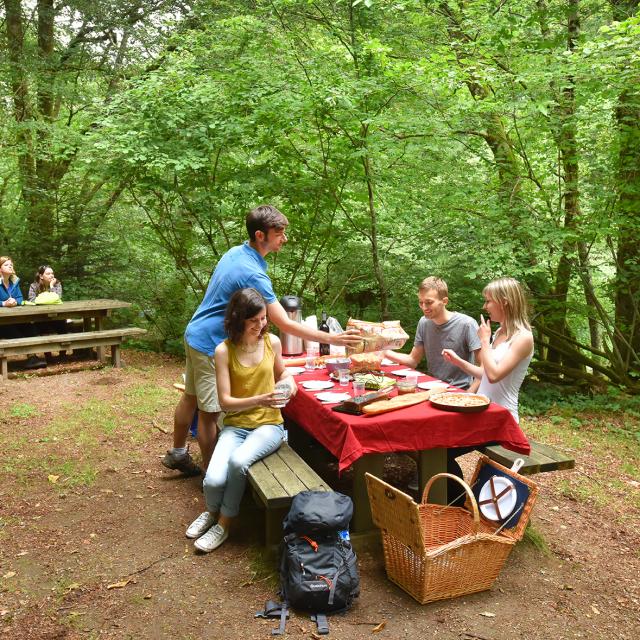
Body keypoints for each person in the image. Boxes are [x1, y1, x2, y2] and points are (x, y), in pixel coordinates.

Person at [162, 204, 361, 477]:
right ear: (260, 235)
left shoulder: (237, 252)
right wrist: (333, 337)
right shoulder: (253, 274)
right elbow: (285, 323)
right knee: (209, 413)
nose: (285, 239)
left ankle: (178, 452)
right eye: (279, 233)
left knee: (190, 397)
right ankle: (212, 477)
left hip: (194, 332)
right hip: (210, 342)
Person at [186, 288, 296, 552]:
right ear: (238, 320)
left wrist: (290, 383)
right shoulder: (224, 351)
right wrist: (259, 399)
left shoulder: (272, 343)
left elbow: (283, 373)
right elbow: (225, 402)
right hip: (235, 426)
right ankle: (211, 513)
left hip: (269, 425)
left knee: (238, 462)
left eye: (263, 319)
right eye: (254, 320)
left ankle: (224, 524)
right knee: (212, 480)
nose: (261, 325)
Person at [383, 276, 482, 495]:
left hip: (459, 395)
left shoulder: (466, 324)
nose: (424, 307)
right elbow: (412, 361)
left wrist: (467, 397)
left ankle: (451, 494)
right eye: (420, 302)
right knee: (397, 420)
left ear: (444, 300)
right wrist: (382, 350)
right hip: (431, 391)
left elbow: (482, 373)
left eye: (429, 302)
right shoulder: (424, 323)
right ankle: (430, 477)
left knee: (433, 444)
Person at [442, 277, 534, 425]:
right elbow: (483, 374)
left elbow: (494, 376)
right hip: (482, 410)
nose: (485, 306)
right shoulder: (498, 333)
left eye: (488, 301)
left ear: (504, 302)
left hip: (502, 416)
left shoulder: (523, 337)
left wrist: (484, 340)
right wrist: (458, 361)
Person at [0, 256, 46, 369]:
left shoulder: (14, 282)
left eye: (11, 265)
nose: (10, 266)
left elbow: (20, 298)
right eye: (6, 265)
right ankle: (30, 357)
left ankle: (32, 358)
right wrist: (3, 303)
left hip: (15, 318)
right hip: (1, 322)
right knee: (14, 332)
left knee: (31, 328)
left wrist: (16, 301)